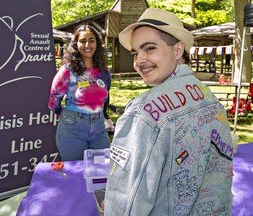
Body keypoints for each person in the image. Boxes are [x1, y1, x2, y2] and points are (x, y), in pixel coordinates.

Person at [104, 8, 233, 215]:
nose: (138, 61)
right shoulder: (210, 99)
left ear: (177, 50)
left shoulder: (142, 114)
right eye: (135, 53)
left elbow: (126, 200)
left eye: (149, 49)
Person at [48, 24, 111, 161]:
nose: (87, 44)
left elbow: (106, 98)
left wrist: (105, 115)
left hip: (99, 127)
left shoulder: (104, 71)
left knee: (101, 169)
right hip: (72, 128)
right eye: (82, 41)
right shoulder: (67, 70)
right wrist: (66, 115)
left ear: (97, 43)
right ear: (76, 44)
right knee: (76, 172)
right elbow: (54, 100)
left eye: (91, 40)